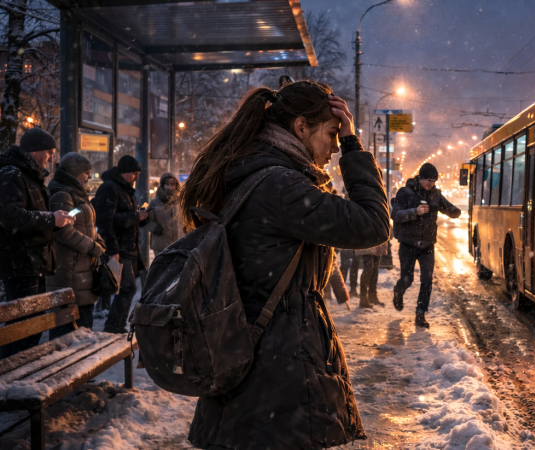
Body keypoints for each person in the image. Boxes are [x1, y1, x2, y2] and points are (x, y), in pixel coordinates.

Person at [180, 80, 389, 449]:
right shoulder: (281, 186)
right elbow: (372, 224)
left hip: (252, 360)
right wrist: (354, 148)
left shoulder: (255, 174)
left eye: (340, 140)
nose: (333, 147)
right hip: (278, 372)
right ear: (300, 127)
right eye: (331, 134)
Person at [0, 127, 74, 357]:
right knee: (22, 328)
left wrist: (54, 219)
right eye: (49, 152)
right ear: (34, 152)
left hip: (32, 263)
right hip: (19, 263)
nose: (51, 157)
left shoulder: (29, 176)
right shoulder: (12, 174)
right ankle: (8, 374)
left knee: (30, 328)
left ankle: (16, 372)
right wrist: (51, 219)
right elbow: (10, 216)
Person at [391, 163, 461, 328]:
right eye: (428, 180)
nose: (431, 184)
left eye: (434, 181)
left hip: (427, 245)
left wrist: (454, 211)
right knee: (407, 280)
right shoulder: (405, 192)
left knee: (427, 280)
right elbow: (395, 214)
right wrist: (414, 212)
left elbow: (445, 206)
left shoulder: (435, 193)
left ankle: (420, 314)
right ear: (421, 178)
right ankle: (399, 290)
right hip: (408, 244)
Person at [46, 152, 106, 337]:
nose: (88, 176)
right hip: (69, 271)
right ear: (76, 172)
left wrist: (98, 240)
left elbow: (82, 225)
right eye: (86, 172)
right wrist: (93, 246)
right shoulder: (63, 194)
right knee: (67, 333)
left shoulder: (76, 193)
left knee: (82, 329)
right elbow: (64, 231)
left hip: (80, 271)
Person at [93, 155, 149, 334]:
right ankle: (113, 325)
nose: (137, 178)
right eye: (134, 173)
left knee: (127, 288)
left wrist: (139, 218)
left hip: (128, 249)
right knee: (128, 288)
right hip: (119, 249)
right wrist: (113, 250)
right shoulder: (110, 188)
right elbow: (106, 221)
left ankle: (117, 325)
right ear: (124, 172)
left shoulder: (125, 190)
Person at [143, 172, 184, 256]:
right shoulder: (155, 203)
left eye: (172, 184)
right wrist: (155, 228)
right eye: (167, 184)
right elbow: (146, 221)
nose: (170, 187)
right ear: (162, 185)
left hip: (180, 245)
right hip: (160, 246)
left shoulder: (182, 202)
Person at [356, 241, 387, 308]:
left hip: (378, 240)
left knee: (374, 269)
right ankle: (363, 298)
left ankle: (372, 296)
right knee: (368, 269)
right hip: (367, 239)